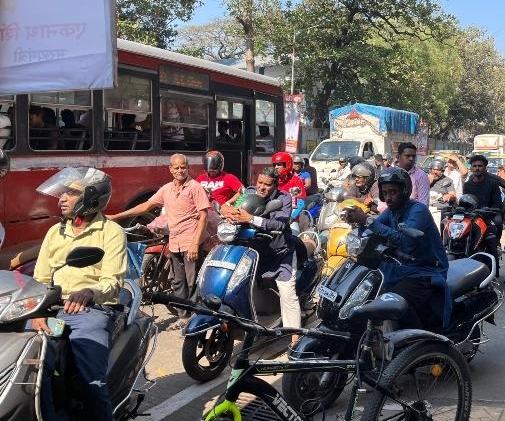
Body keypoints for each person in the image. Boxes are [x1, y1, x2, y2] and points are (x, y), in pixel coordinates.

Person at [31, 167, 125, 420]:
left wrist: (89, 292)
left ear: (92, 197)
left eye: (71, 193)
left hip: (91, 310)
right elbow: (39, 278)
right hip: (53, 309)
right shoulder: (55, 232)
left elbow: (112, 282)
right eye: (62, 193)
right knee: (32, 372)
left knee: (92, 382)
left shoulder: (111, 232)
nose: (61, 198)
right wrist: (37, 311)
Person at [108, 154, 209, 331]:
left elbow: (203, 216)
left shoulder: (195, 187)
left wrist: (195, 243)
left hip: (190, 240)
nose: (180, 170)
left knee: (192, 281)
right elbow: (146, 206)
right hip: (175, 240)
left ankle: (193, 317)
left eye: (183, 167)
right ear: (170, 169)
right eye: (176, 168)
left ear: (188, 168)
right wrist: (117, 216)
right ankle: (183, 317)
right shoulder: (167, 189)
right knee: (178, 281)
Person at [345, 167, 450, 330]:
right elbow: (374, 229)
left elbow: (404, 240)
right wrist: (357, 220)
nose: (388, 198)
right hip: (400, 267)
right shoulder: (391, 211)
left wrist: (367, 220)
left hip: (425, 271)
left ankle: (418, 345)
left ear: (405, 190)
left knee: (395, 302)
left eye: (393, 192)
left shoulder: (418, 210)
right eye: (385, 193)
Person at [220, 167, 302, 343]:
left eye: (267, 184)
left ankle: (295, 339)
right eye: (260, 183)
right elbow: (233, 206)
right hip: (254, 252)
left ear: (275, 185)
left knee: (287, 293)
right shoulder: (249, 192)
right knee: (234, 285)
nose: (262, 188)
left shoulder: (284, 198)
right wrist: (225, 210)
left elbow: (279, 224)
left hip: (280, 253)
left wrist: (250, 219)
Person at [462, 154, 504, 275]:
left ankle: (495, 272)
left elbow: (497, 204)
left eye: (480, 166)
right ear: (471, 168)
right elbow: (465, 202)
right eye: (474, 166)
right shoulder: (467, 185)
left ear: (485, 167)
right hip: (471, 218)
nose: (477, 168)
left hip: (488, 217)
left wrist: (488, 210)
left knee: (492, 239)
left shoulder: (492, 183)